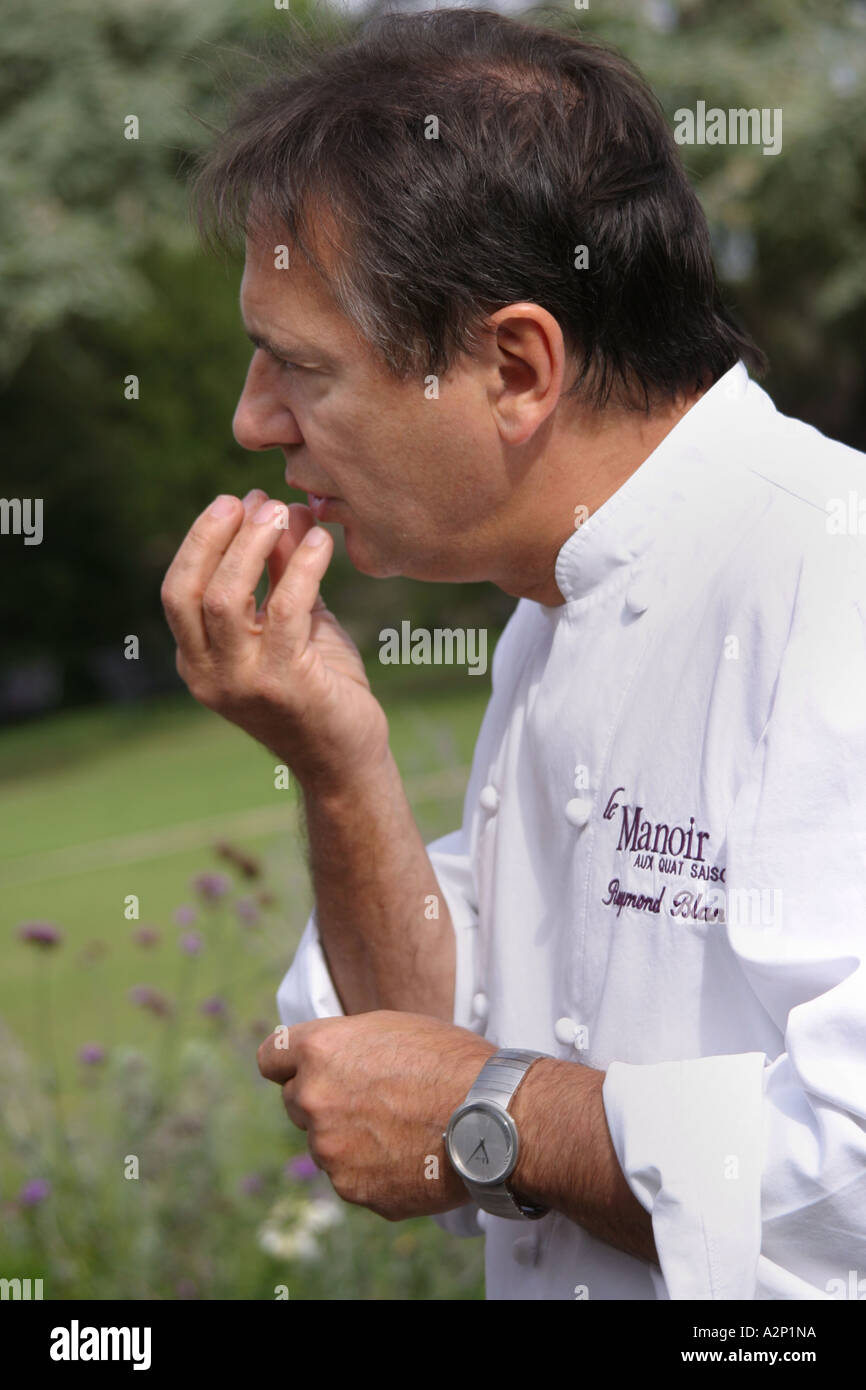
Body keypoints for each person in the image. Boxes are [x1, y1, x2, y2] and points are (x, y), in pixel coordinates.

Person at [161, 9, 866, 1299]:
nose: (252, 420)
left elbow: (851, 1177)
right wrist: (336, 758)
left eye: (298, 367)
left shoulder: (837, 583)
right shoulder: (557, 605)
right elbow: (422, 1067)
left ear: (516, 366)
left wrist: (497, 1110)